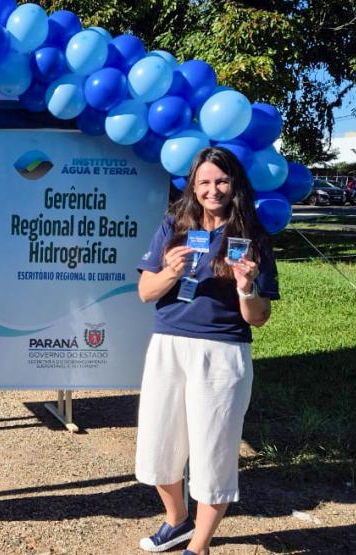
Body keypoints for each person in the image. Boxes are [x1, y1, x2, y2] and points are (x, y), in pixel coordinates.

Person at [134, 147, 279, 555]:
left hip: (222, 354)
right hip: (169, 345)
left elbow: (258, 317)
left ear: (234, 184)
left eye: (221, 181)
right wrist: (170, 272)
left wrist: (245, 287)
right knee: (158, 446)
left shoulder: (252, 237)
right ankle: (177, 520)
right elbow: (146, 292)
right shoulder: (173, 225)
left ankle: (198, 546)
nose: (213, 189)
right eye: (204, 182)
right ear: (192, 187)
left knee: (213, 451)